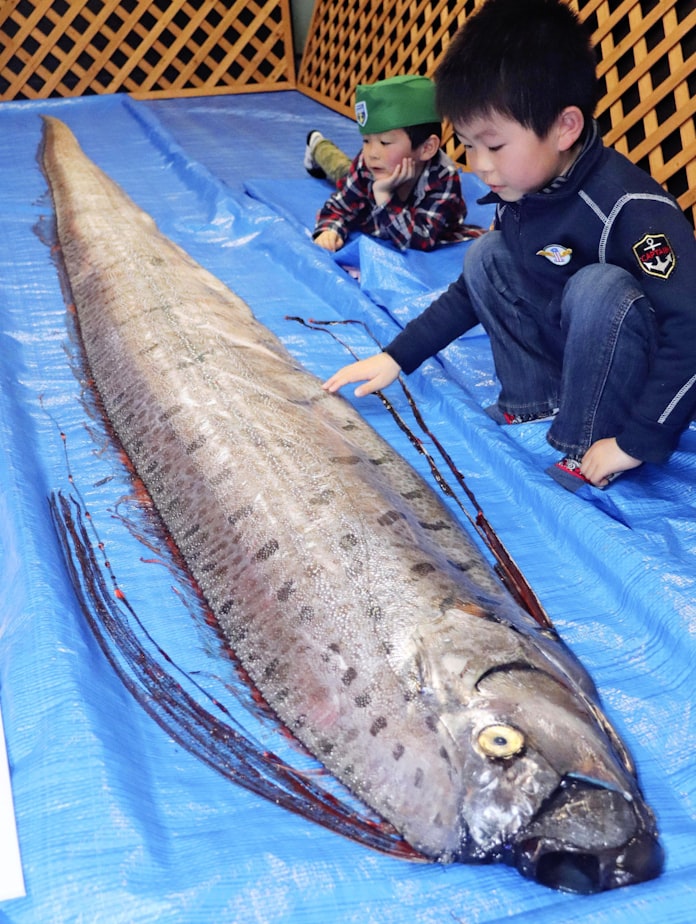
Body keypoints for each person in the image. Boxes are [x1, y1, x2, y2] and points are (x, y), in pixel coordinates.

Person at [322, 0, 696, 493]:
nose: (478, 163)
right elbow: (468, 293)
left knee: (599, 285)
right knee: (487, 254)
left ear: (565, 127)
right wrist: (396, 357)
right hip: (574, 347)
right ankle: (534, 404)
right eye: (468, 144)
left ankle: (585, 443)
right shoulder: (524, 188)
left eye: (494, 146)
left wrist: (635, 441)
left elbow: (689, 331)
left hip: (632, 378)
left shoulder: (632, 210)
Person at [304, 74, 482, 253]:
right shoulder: (366, 164)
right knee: (340, 169)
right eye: (366, 141)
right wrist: (329, 229)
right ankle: (317, 144)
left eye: (385, 143)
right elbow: (339, 207)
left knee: (342, 170)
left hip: (381, 189)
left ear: (427, 148)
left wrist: (384, 197)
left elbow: (422, 239)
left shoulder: (443, 176)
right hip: (364, 179)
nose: (372, 153)